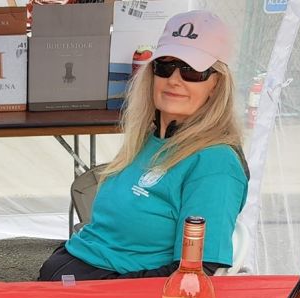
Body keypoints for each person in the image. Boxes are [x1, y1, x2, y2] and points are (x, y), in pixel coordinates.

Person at [38, 10, 248, 281]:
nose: (174, 80)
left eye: (192, 71)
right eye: (165, 66)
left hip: (111, 293)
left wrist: (99, 289)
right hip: (75, 274)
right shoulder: (150, 139)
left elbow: (192, 275)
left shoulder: (214, 163)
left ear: (217, 85)